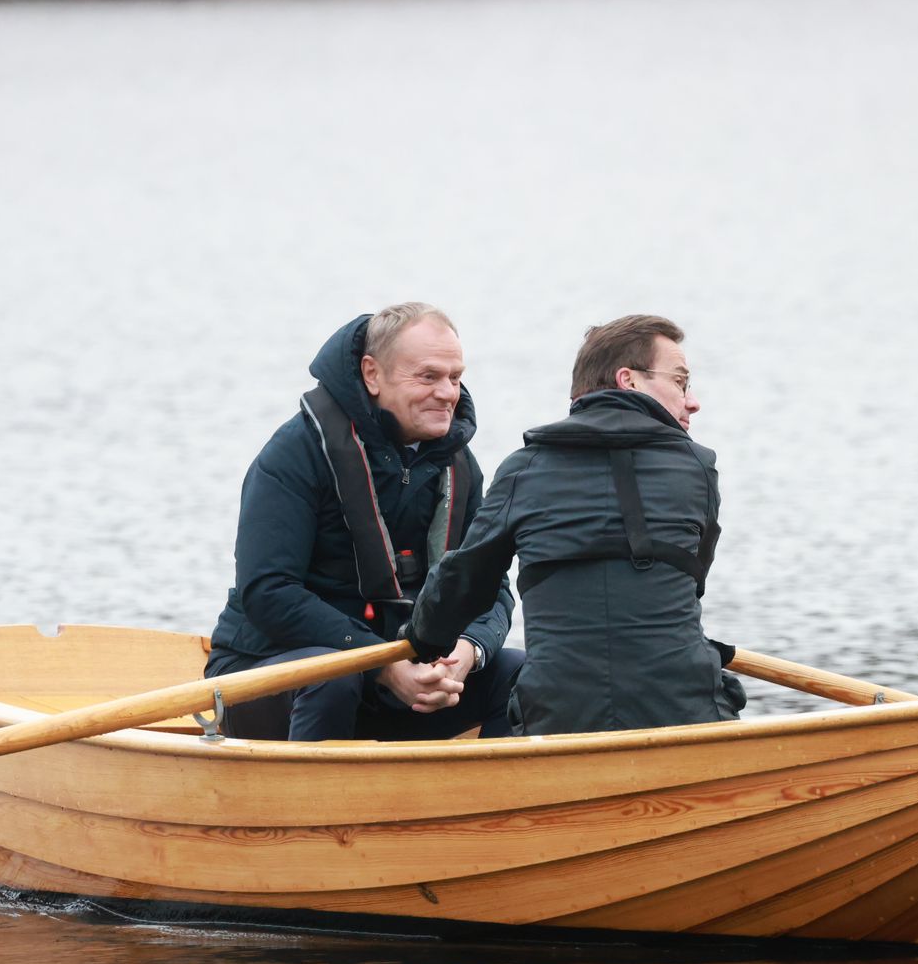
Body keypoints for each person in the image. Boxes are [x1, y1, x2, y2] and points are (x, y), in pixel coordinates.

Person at [403, 314, 744, 735]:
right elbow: (691, 584)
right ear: (629, 380)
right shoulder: (698, 466)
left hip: (557, 717)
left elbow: (462, 584)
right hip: (683, 713)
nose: (691, 401)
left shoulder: (522, 468)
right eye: (680, 381)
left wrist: (422, 641)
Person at [206, 305, 522, 740]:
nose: (448, 393)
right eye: (428, 377)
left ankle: (497, 808)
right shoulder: (295, 453)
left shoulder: (459, 467)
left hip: (395, 678)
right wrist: (381, 663)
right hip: (268, 679)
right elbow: (268, 591)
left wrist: (467, 652)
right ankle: (309, 805)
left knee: (520, 672)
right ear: (372, 374)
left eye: (455, 376)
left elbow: (491, 588)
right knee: (333, 677)